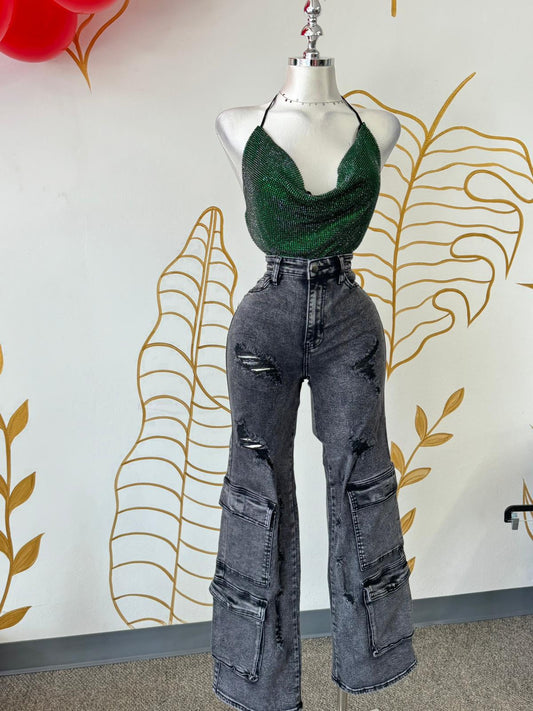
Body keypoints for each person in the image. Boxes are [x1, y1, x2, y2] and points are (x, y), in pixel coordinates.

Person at [208, 47, 416, 711]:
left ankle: (368, 662)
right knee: (257, 489)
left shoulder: (378, 126)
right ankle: (257, 681)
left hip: (351, 321)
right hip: (264, 323)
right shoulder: (240, 122)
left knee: (360, 484)